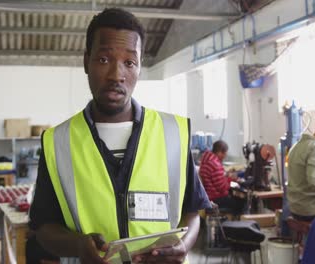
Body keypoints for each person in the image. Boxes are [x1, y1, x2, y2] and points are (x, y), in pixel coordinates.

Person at [29, 8, 211, 264]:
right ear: (86, 61)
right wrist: (79, 245)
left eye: (129, 62)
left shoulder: (173, 133)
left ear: (139, 66)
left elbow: (192, 211)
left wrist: (184, 245)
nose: (117, 75)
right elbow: (43, 227)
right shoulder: (57, 142)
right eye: (104, 60)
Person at [199, 140, 245, 215]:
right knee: (241, 202)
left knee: (235, 197)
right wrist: (231, 179)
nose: (225, 156)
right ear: (220, 152)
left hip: (209, 196)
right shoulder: (215, 164)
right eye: (225, 153)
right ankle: (234, 224)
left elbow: (216, 179)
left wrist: (226, 177)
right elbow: (222, 187)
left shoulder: (206, 160)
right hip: (215, 198)